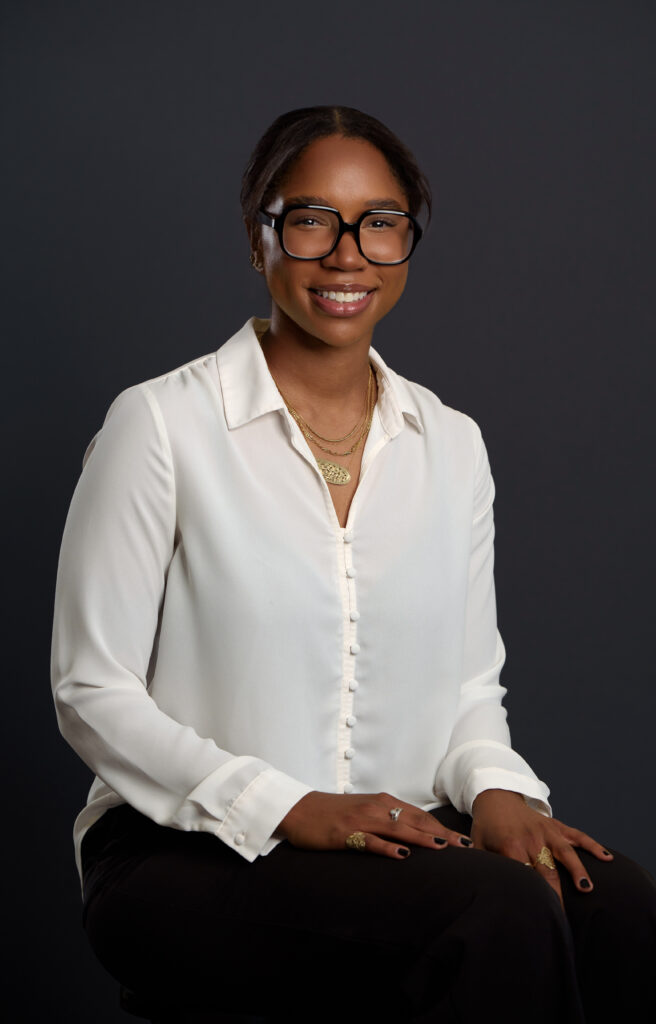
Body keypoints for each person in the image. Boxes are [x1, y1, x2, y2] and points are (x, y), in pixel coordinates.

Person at [51, 105, 656, 1024]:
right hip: (182, 849)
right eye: (310, 220)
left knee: (620, 911)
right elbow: (91, 691)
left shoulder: (451, 445)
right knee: (495, 915)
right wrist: (286, 804)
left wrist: (495, 787)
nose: (347, 255)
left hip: (393, 843)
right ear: (259, 240)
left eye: (380, 223)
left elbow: (467, 688)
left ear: (407, 242)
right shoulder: (162, 426)